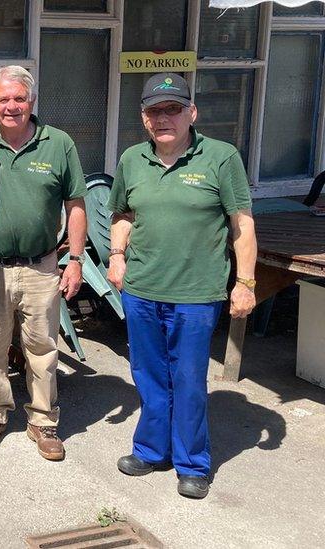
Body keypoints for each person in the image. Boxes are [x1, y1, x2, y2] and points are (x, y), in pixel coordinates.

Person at [107, 72, 257, 499]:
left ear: (192, 112)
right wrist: (117, 257)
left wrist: (244, 282)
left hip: (196, 294)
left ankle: (192, 463)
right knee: (148, 375)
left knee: (189, 378)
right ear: (144, 118)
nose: (164, 118)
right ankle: (151, 450)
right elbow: (121, 214)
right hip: (141, 289)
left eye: (173, 109)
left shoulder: (221, 157)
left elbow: (241, 224)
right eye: (156, 110)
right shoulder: (132, 159)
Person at [0, 66, 88, 461]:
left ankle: (43, 420)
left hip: (42, 265)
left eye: (19, 98)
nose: (12, 106)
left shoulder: (59, 143)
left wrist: (75, 259)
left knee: (42, 347)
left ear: (32, 102)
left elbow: (75, 204)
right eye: (3, 99)